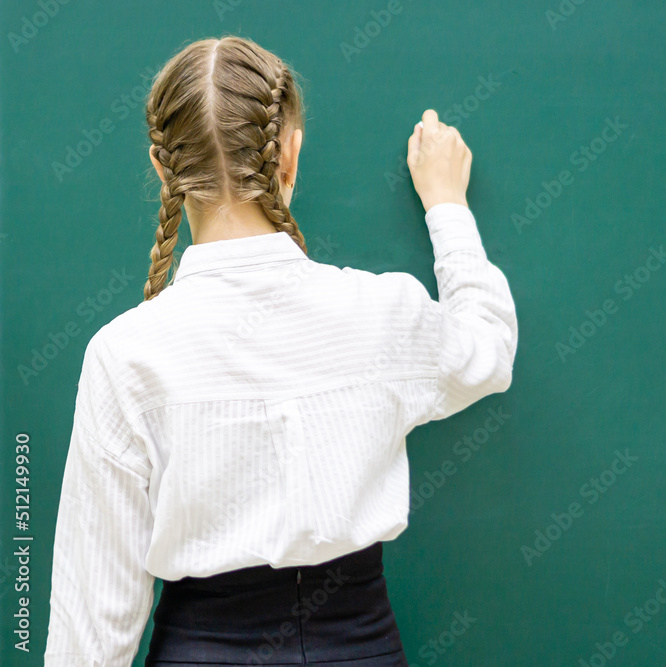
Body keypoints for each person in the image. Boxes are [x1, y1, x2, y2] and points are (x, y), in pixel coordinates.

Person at [42, 35, 517, 667]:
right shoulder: (381, 313)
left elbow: (91, 623)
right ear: (289, 153)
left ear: (163, 168)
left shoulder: (123, 355)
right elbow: (487, 346)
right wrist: (447, 204)